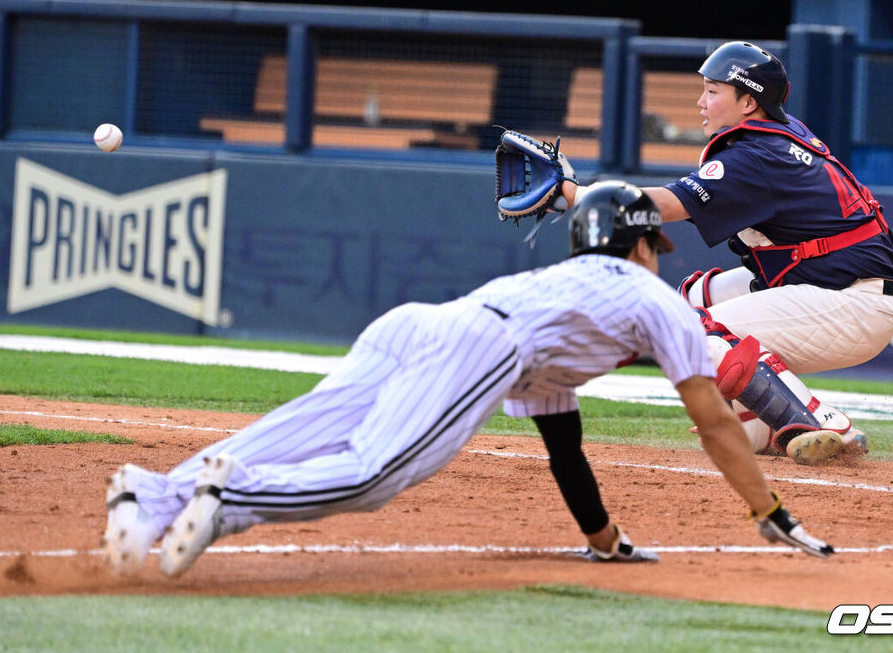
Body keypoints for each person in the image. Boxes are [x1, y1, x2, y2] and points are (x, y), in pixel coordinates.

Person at [103, 181, 833, 578]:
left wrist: (605, 541)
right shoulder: (649, 300)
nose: (658, 256)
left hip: (419, 324)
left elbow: (564, 447)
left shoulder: (566, 292)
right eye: (655, 244)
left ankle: (152, 492)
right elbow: (711, 421)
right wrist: (767, 509)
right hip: (482, 343)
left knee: (301, 428)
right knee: (375, 474)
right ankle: (227, 496)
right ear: (639, 242)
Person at [560, 42, 893, 464]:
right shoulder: (775, 138)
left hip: (851, 302)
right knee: (691, 302)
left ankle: (821, 422)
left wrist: (574, 194)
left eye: (712, 91)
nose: (700, 101)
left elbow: (665, 205)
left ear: (748, 101)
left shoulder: (755, 155)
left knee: (688, 329)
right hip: (830, 284)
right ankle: (760, 428)